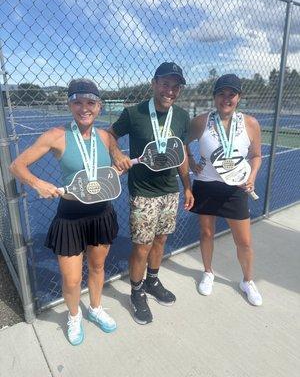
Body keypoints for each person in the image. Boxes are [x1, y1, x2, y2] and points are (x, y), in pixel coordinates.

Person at [10, 79, 128, 345]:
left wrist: (119, 163)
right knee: (72, 279)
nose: (84, 108)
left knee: (98, 267)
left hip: (102, 214)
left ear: (98, 107)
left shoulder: (106, 137)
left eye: (90, 103)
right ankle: (74, 315)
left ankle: (96, 308)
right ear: (69, 104)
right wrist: (38, 183)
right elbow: (17, 166)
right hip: (70, 218)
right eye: (77, 102)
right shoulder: (56, 136)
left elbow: (112, 162)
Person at [108, 62, 194, 324]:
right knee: (142, 247)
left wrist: (187, 186)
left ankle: (152, 281)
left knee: (160, 241)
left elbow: (180, 154)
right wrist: (118, 154)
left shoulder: (181, 116)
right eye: (165, 84)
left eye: (175, 86)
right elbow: (110, 134)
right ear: (154, 83)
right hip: (143, 192)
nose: (170, 90)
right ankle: (136, 292)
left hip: (170, 191)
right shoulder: (133, 113)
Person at [187, 74, 263, 306]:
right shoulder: (201, 121)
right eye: (221, 93)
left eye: (231, 94)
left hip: (236, 190)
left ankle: (247, 281)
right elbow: (181, 144)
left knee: (244, 242)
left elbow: (256, 155)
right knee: (206, 233)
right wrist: (191, 163)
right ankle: (208, 272)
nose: (226, 98)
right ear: (214, 97)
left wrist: (251, 178)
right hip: (206, 186)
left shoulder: (250, 123)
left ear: (239, 97)